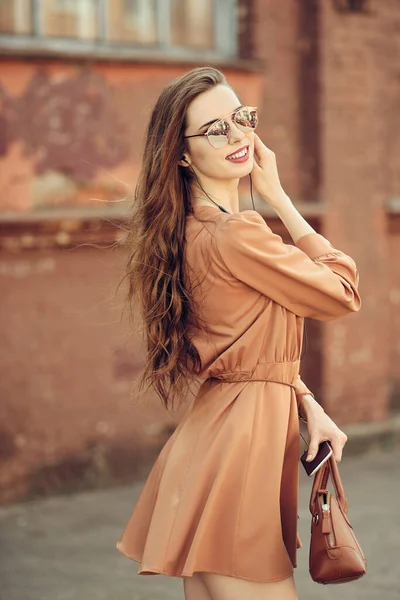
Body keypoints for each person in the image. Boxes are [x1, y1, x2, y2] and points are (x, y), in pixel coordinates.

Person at [115, 67, 361, 600]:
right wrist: (279, 197)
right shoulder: (238, 233)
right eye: (214, 129)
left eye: (240, 119)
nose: (237, 136)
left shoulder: (193, 229)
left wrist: (304, 400)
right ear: (181, 154)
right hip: (239, 456)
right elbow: (342, 292)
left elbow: (242, 348)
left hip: (217, 443)